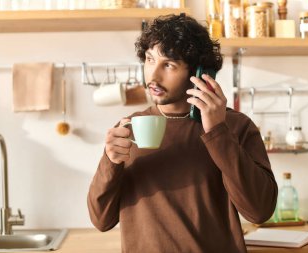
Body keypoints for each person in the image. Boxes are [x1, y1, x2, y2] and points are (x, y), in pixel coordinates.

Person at [87, 13, 277, 253]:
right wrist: (110, 162)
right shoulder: (128, 129)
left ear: (198, 73)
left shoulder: (236, 126)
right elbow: (100, 220)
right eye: (149, 59)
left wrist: (217, 131)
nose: (153, 76)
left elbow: (259, 211)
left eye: (168, 64)